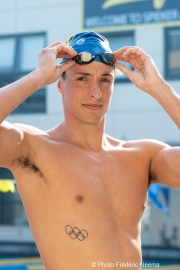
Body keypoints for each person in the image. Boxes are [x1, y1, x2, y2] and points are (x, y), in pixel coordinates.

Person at [0, 31, 180, 270]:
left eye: (105, 80)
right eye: (82, 78)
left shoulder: (143, 156)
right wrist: (37, 76)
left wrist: (158, 87)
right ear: (60, 83)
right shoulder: (34, 150)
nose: (95, 92)